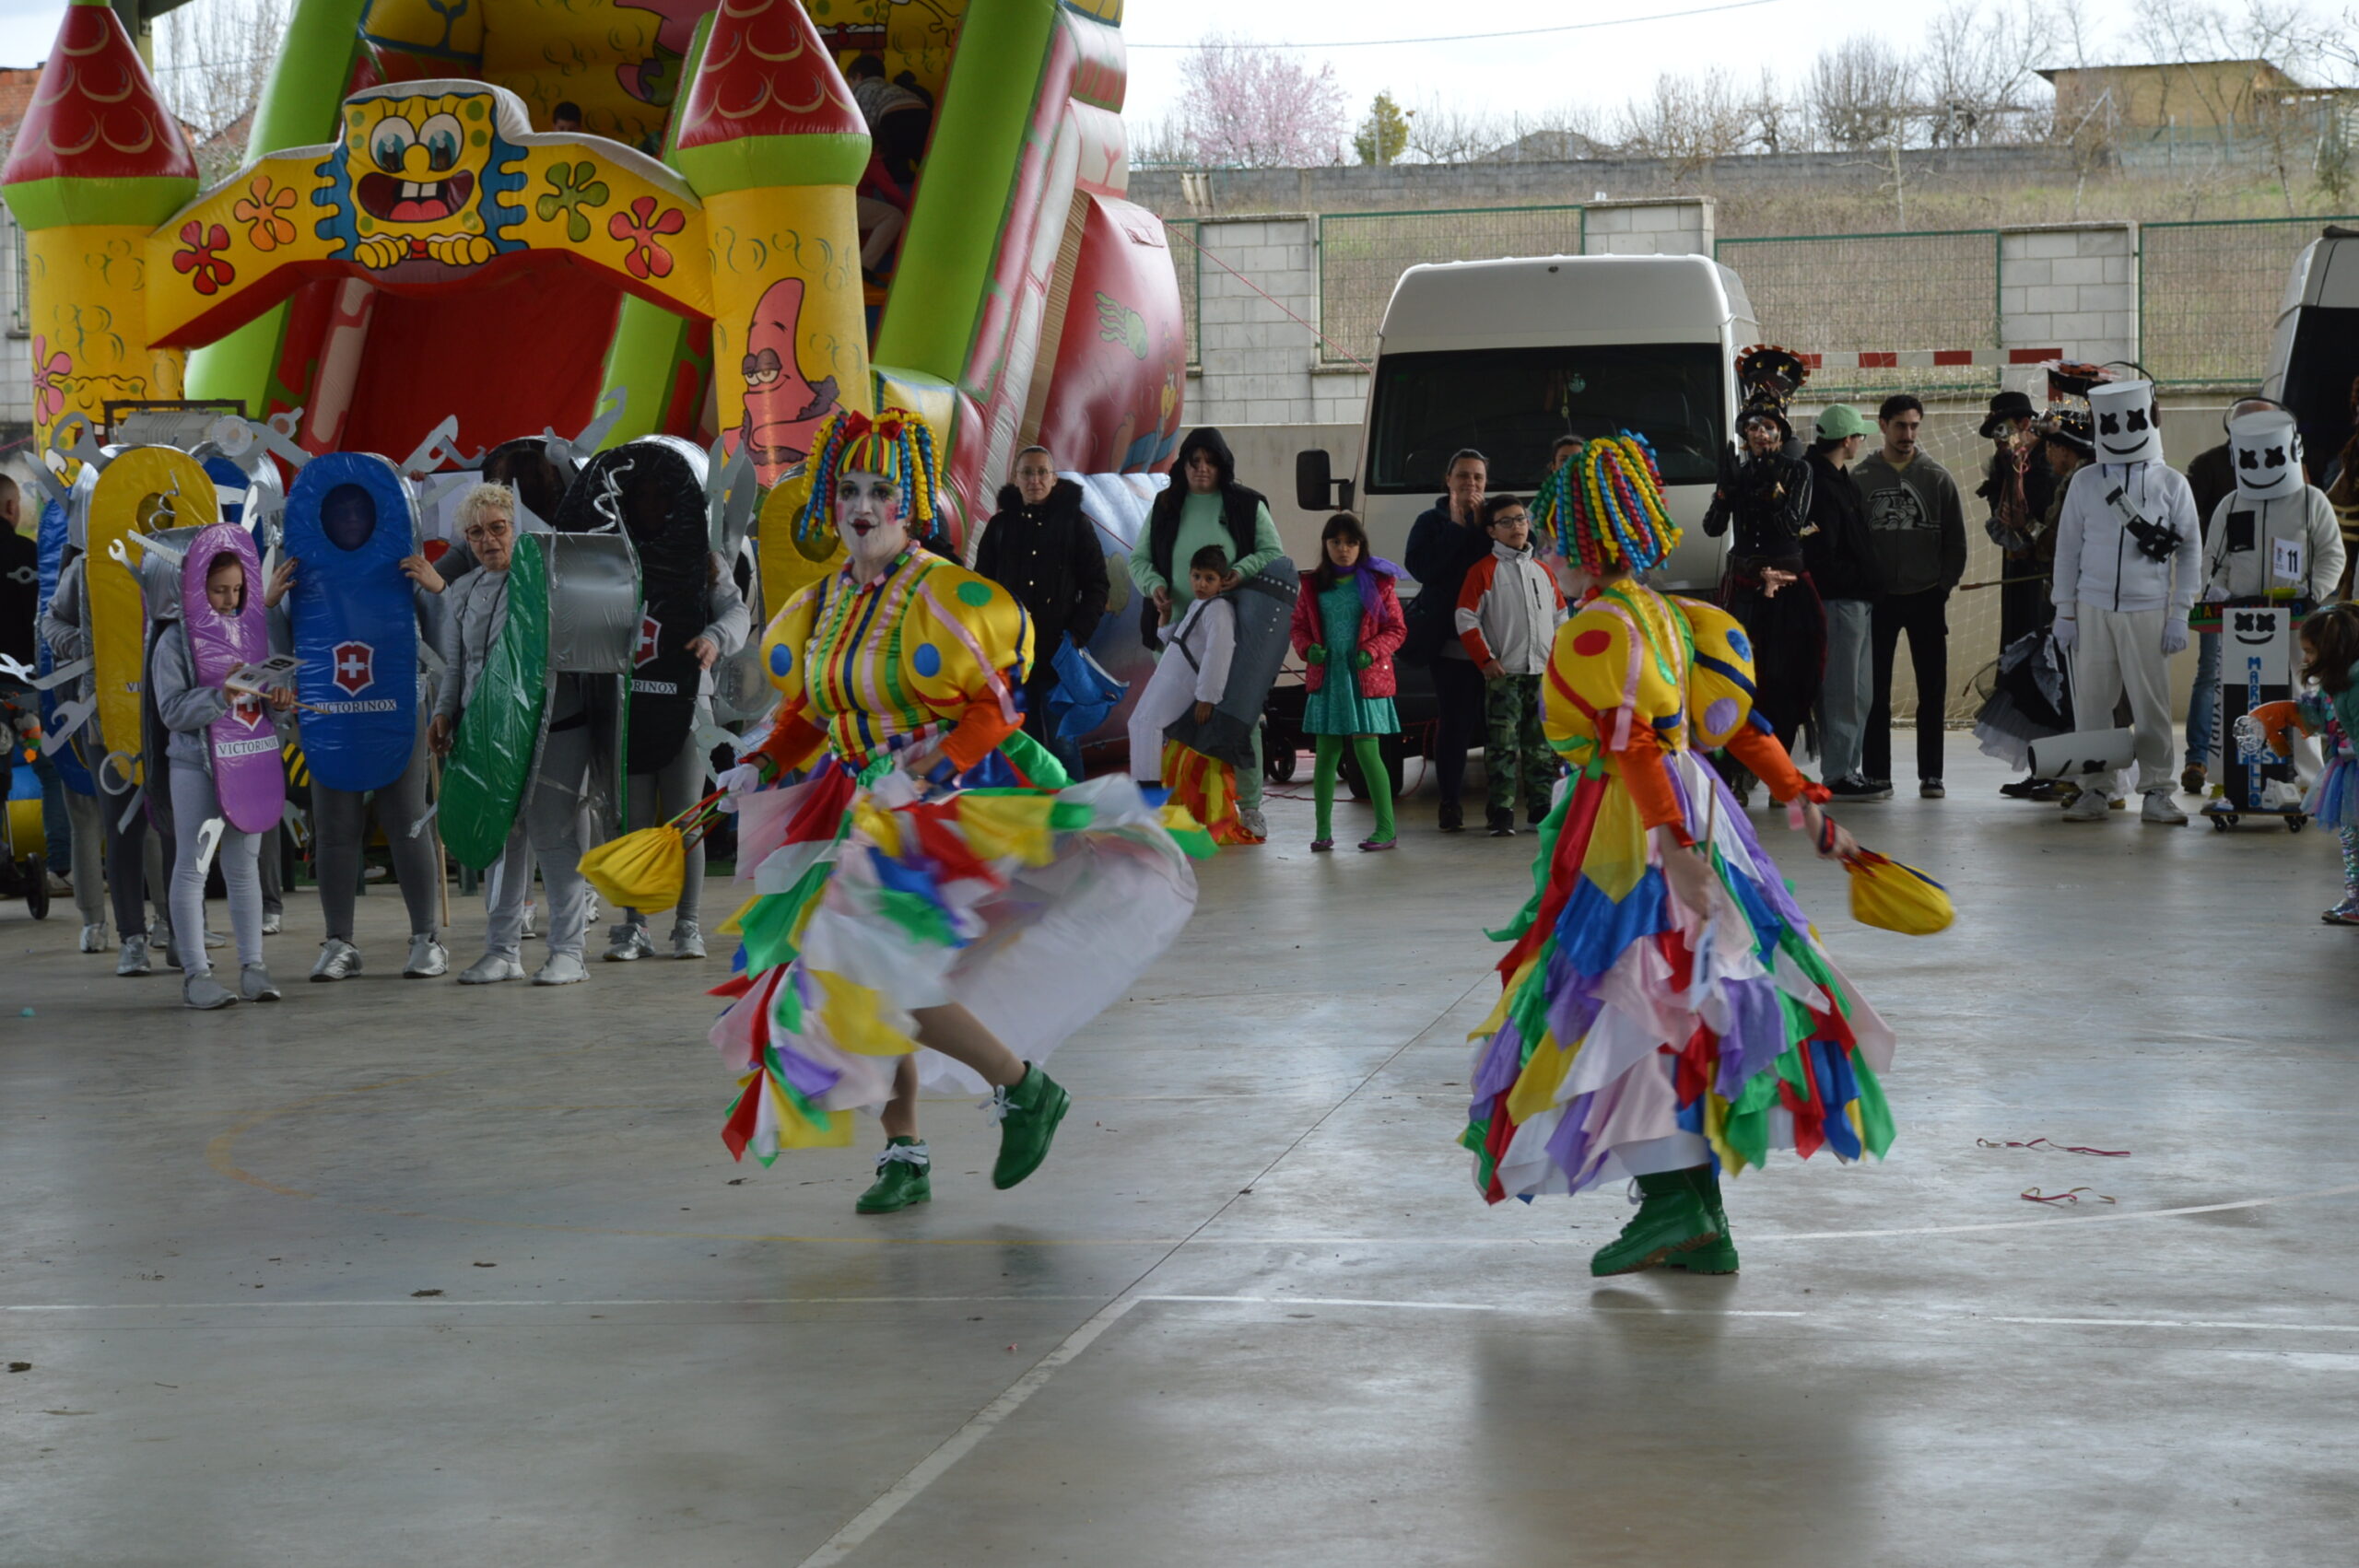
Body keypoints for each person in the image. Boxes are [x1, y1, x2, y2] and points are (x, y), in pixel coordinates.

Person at [718, 406, 1203, 1212]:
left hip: (935, 807)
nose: (862, 505)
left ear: (906, 504)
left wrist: (930, 769)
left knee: (880, 974)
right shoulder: (824, 602)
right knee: (866, 983)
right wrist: (762, 760)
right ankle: (905, 1151)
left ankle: (1022, 1086)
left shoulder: (940, 594)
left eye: (879, 490)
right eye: (847, 490)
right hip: (853, 806)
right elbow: (814, 709)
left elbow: (995, 706)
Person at [1468, 432, 1894, 1278]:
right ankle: (1700, 1217)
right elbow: (1744, 724)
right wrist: (1808, 808)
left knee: (1635, 1004)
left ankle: (1673, 1209)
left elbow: (1628, 740)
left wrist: (1671, 845)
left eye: (1558, 524)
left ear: (1577, 534)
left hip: (1638, 832)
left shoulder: (1595, 627)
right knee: (1689, 1003)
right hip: (1699, 810)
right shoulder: (1675, 614)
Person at [267, 486, 452, 983]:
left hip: (397, 710)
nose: (350, 519)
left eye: (359, 509)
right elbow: (277, 653)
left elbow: (446, 646)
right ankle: (339, 942)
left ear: (378, 513)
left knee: (408, 822)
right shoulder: (298, 574)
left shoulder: (406, 568)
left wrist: (438, 593)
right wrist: (268, 606)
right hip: (329, 715)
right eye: (339, 510)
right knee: (334, 829)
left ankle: (425, 938)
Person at [430, 485, 595, 984]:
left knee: (554, 836)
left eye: (497, 528)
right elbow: (459, 665)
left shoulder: (552, 581)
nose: (488, 540)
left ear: (515, 528)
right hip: (484, 733)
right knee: (500, 837)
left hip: (555, 728)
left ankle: (569, 951)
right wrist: (444, 712)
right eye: (476, 533)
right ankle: (502, 950)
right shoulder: (462, 591)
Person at [2051, 378, 2201, 825]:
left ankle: (2157, 790)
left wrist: (2180, 613)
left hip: (2148, 609)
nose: (2121, 429)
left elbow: (2191, 549)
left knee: (2152, 705)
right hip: (2092, 608)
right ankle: (2098, 787)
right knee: (2093, 705)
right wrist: (2065, 609)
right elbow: (2068, 548)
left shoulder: (2172, 483)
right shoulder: (2084, 482)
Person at [152, 545, 297, 1008]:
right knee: (192, 869)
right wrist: (222, 693)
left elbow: (265, 703)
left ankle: (254, 967)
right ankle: (196, 974)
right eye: (219, 590)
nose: (230, 600)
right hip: (195, 765)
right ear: (195, 589)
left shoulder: (254, 633)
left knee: (243, 869)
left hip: (248, 762)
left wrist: (278, 704)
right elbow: (172, 711)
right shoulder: (174, 641)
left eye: (237, 589)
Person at [1130, 427, 1283, 839]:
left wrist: (1240, 572)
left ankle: (1249, 807)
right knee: (1171, 723)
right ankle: (1166, 807)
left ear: (1222, 465)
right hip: (1175, 634)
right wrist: (1153, 586)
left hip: (1235, 635)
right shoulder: (1166, 505)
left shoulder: (1246, 505)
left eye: (1209, 462)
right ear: (1183, 465)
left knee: (1242, 720)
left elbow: (1273, 554)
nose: (1201, 470)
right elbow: (1139, 559)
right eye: (1194, 462)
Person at [1702, 358, 1820, 765]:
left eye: (1767, 427)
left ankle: (1779, 758)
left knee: (1783, 675)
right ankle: (1738, 762)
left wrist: (1775, 492)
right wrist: (1724, 492)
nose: (1759, 433)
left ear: (1780, 432)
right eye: (1751, 427)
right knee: (1737, 671)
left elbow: (1792, 524)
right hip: (1743, 583)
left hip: (1786, 588)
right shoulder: (1739, 471)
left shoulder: (1799, 470)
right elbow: (1712, 528)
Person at [1854, 393, 1966, 800]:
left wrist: (1942, 586)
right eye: (1900, 425)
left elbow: (1956, 541)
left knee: (1931, 690)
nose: (1908, 434)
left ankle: (1931, 774)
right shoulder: (1861, 478)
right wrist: (1867, 587)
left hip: (1926, 599)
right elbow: (1851, 543)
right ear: (1882, 426)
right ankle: (1876, 774)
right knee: (1875, 691)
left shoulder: (1936, 478)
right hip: (1879, 601)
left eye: (1914, 426)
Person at [976, 446, 1109, 778]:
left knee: (1064, 742)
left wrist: (1077, 634)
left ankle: (1076, 819)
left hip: (1058, 654)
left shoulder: (1076, 525)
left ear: (1053, 478)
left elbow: (1097, 585)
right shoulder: (999, 527)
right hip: (1012, 657)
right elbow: (982, 588)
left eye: (1042, 472)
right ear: (1016, 479)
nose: (1035, 480)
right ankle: (1035, 819)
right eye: (1027, 473)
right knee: (1025, 744)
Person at [1982, 410, 2095, 800]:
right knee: (2048, 683)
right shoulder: (2037, 473)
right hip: (2052, 593)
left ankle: (2082, 775)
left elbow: (2052, 540)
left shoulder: (2071, 481)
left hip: (2065, 601)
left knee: (2064, 687)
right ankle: (2054, 769)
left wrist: (2025, 527)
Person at [2181, 394, 2285, 793]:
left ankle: (2275, 766)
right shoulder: (2208, 466)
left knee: (2275, 679)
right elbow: (2191, 528)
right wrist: (2209, 584)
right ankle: (2199, 760)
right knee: (2211, 674)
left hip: (2276, 598)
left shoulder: (2286, 465)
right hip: (2220, 592)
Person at [1291, 511, 1406, 852]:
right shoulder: (1312, 585)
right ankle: (1322, 832)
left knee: (1369, 753)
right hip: (1328, 679)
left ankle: (1386, 829)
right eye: (1336, 542)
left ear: (1361, 546)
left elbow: (1397, 629)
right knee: (1326, 754)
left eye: (1351, 542)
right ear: (1325, 545)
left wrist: (1372, 651)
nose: (1343, 549)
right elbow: (1298, 627)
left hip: (1364, 679)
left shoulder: (1379, 583)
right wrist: (1307, 648)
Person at [1454, 494, 1563, 836]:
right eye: (1506, 522)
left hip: (1542, 673)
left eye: (1521, 519)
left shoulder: (1543, 571)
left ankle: (1541, 807)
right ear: (1491, 531)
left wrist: (1557, 660)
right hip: (1505, 674)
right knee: (1502, 745)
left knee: (1541, 746)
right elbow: (1466, 618)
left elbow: (1561, 617)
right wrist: (1486, 659)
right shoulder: (1483, 571)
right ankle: (1501, 810)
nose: (1516, 527)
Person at [2248, 605, 2359, 922]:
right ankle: (2355, 898)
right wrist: (2289, 713)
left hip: (2354, 768)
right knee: (2352, 838)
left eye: (2311, 651)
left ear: (2332, 649)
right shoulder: (2334, 681)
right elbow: (2327, 721)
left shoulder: (2357, 683)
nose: (2306, 658)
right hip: (2347, 769)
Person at [1130, 545, 1247, 841]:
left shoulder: (1220, 609)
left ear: (1223, 581)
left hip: (1184, 679)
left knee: (1147, 725)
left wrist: (1208, 695)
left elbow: (1219, 652)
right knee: (1139, 723)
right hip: (1170, 671)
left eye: (1209, 578)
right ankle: (1145, 799)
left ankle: (1149, 804)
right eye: (1196, 576)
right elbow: (1175, 639)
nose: (1201, 584)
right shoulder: (1199, 606)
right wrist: (1165, 615)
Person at [1403, 447, 1490, 832]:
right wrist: (1456, 526)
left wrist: (1485, 523)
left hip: (1496, 643)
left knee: (1499, 724)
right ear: (1448, 480)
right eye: (1463, 476)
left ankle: (1500, 805)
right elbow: (1423, 569)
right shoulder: (1430, 521)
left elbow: (1523, 547)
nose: (1470, 483)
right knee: (1454, 723)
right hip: (1449, 644)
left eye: (1478, 477)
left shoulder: (1496, 518)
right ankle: (1450, 803)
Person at [1802, 404, 1884, 801]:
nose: (1861, 443)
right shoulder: (1819, 483)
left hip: (1857, 600)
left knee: (1860, 692)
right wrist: (1859, 581)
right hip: (1839, 603)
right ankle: (1837, 773)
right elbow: (1822, 556)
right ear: (1848, 440)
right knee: (1841, 692)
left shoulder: (1839, 479)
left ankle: (1849, 768)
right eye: (1860, 436)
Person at [1977, 390, 2059, 657]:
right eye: (1994, 433)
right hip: (2018, 569)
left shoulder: (2047, 465)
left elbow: (2055, 536)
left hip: (2045, 576)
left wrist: (2027, 526)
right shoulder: (2008, 462)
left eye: (2003, 429)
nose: (1999, 439)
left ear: (2024, 424)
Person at [846, 53, 931, 189]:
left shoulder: (861, 90)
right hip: (923, 115)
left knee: (891, 163)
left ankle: (901, 186)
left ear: (858, 76)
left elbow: (865, 125)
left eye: (851, 81)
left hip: (893, 118)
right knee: (925, 161)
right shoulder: (893, 88)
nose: (851, 86)